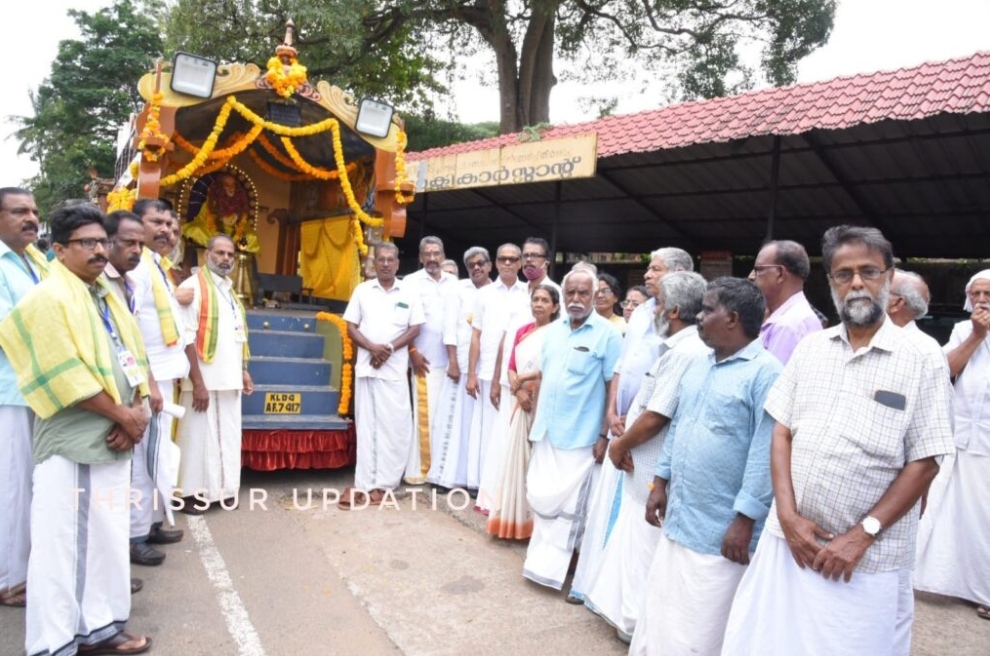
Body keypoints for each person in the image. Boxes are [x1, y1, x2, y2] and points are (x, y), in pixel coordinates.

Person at [721, 225, 954, 655]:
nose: (857, 283)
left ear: (889, 276)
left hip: (862, 560)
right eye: (844, 274)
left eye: (869, 271)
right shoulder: (812, 348)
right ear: (831, 283)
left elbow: (926, 460)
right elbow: (782, 431)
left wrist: (861, 535)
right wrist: (787, 517)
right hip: (787, 544)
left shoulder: (924, 360)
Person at [0, 203, 152, 655]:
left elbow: (132, 357)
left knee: (104, 539)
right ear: (60, 249)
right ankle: (58, 641)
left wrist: (135, 410)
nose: (100, 251)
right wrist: (123, 416)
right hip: (74, 442)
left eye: (103, 242)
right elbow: (62, 372)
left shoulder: (102, 294)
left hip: (112, 436)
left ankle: (101, 627)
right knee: (64, 546)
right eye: (87, 243)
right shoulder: (47, 298)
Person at [624, 278, 781, 655]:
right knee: (664, 612)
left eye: (709, 309)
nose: (699, 316)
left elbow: (766, 453)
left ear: (733, 319)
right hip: (679, 515)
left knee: (702, 628)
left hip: (722, 531)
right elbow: (678, 429)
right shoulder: (698, 366)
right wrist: (659, 482)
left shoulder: (767, 373)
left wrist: (745, 519)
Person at [586, 271, 708, 642]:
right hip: (643, 470)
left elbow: (657, 414)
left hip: (651, 469)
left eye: (657, 302)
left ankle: (636, 626)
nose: (651, 309)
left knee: (646, 551)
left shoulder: (686, 351)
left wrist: (620, 444)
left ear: (671, 310)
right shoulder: (678, 347)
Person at [569, 247, 693, 604]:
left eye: (656, 269)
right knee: (603, 507)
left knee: (629, 515)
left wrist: (629, 429)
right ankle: (590, 584)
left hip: (645, 436)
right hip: (620, 426)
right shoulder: (640, 314)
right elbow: (621, 369)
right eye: (649, 268)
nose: (648, 275)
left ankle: (615, 597)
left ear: (680, 274)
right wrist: (610, 415)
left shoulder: (685, 323)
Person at [522, 269, 622, 591]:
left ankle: (561, 568)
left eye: (583, 293)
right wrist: (535, 424)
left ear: (595, 296)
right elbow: (544, 380)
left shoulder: (609, 335)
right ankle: (538, 563)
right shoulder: (552, 332)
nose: (576, 300)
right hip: (547, 432)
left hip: (581, 437)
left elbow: (613, 388)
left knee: (570, 507)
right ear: (563, 296)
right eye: (571, 293)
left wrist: (604, 435)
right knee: (542, 498)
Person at [914, 270, 990, 621]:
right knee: (951, 510)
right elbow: (947, 369)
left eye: (988, 293)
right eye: (975, 294)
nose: (981, 300)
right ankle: (953, 581)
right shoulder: (963, 331)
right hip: (961, 435)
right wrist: (977, 336)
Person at [126, 198, 190, 563]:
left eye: (170, 224)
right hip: (146, 382)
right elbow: (130, 328)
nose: (165, 230)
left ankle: (149, 524)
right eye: (157, 222)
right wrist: (146, 384)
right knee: (141, 462)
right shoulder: (137, 268)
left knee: (156, 459)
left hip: (162, 380)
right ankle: (133, 536)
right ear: (137, 225)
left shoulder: (158, 266)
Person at [477, 237, 560, 513]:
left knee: (528, 450)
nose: (529, 261)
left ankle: (521, 509)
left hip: (535, 391)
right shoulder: (521, 293)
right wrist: (499, 380)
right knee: (501, 443)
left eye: (536, 256)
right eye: (526, 255)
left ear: (547, 260)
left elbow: (557, 350)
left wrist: (527, 388)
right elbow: (507, 339)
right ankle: (497, 502)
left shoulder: (554, 293)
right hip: (509, 381)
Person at [339, 242, 424, 508]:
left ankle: (386, 484)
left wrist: (387, 349)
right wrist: (372, 348)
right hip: (368, 369)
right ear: (373, 264)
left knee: (396, 428)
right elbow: (351, 326)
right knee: (368, 428)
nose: (386, 264)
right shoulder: (363, 291)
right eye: (381, 260)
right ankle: (364, 484)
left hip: (395, 371)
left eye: (391, 260)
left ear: (398, 264)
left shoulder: (409, 292)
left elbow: (415, 328)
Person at [175, 234, 254, 513]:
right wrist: (197, 382)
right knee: (197, 438)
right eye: (219, 253)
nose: (226, 259)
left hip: (229, 378)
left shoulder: (230, 291)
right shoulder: (192, 287)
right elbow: (185, 337)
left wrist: (244, 371)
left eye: (230, 254)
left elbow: (239, 336)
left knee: (227, 435)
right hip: (204, 379)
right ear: (206, 254)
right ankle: (189, 494)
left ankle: (221, 490)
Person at [0, 187, 47, 609]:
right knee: (12, 485)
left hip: (39, 389)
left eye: (33, 211)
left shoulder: (34, 261)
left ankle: (26, 569)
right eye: (19, 212)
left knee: (30, 484)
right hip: (11, 390)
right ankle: (8, 580)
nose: (30, 218)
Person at [486, 284, 560, 539]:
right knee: (516, 459)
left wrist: (525, 383)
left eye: (544, 300)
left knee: (537, 461)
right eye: (535, 299)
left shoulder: (558, 333)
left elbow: (551, 369)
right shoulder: (522, 331)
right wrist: (517, 389)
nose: (538, 304)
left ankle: (535, 524)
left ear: (555, 307)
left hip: (541, 401)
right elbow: (511, 365)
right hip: (520, 400)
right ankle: (513, 521)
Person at [465, 244, 528, 493]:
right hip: (486, 372)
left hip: (517, 374)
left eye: (513, 259)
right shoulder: (484, 294)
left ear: (521, 263)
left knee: (509, 431)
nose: (508, 263)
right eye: (503, 259)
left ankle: (506, 487)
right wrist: (471, 375)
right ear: (496, 263)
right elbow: (475, 336)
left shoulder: (529, 293)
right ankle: (482, 486)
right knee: (486, 431)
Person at [427, 247, 491, 490]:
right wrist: (452, 361)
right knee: (452, 422)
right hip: (460, 366)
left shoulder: (495, 292)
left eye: (480, 263)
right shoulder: (458, 289)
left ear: (489, 266)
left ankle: (473, 479)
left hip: (483, 370)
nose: (476, 267)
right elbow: (449, 328)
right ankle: (445, 476)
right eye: (471, 264)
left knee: (476, 427)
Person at [403, 237, 458, 485]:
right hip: (423, 361)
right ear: (421, 257)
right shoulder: (411, 283)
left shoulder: (455, 283)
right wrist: (412, 351)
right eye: (428, 254)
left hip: (450, 363)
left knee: (443, 417)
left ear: (444, 255)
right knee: (424, 416)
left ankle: (442, 470)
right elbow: (402, 321)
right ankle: (420, 470)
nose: (433, 258)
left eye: (437, 253)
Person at [749, 240, 822, 364]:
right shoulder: (796, 318)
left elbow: (771, 381)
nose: (752, 277)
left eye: (759, 270)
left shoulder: (787, 326)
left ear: (780, 274)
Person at [182, 172, 260, 253]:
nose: (231, 188)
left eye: (233, 185)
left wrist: (237, 232)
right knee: (196, 230)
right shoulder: (212, 202)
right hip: (213, 229)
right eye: (227, 185)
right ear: (220, 187)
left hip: (235, 231)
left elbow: (243, 223)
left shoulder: (240, 203)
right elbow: (203, 218)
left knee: (252, 237)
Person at [102, 211, 144, 311]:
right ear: (108, 242)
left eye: (141, 244)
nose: (137, 250)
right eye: (130, 243)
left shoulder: (129, 283)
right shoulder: (97, 281)